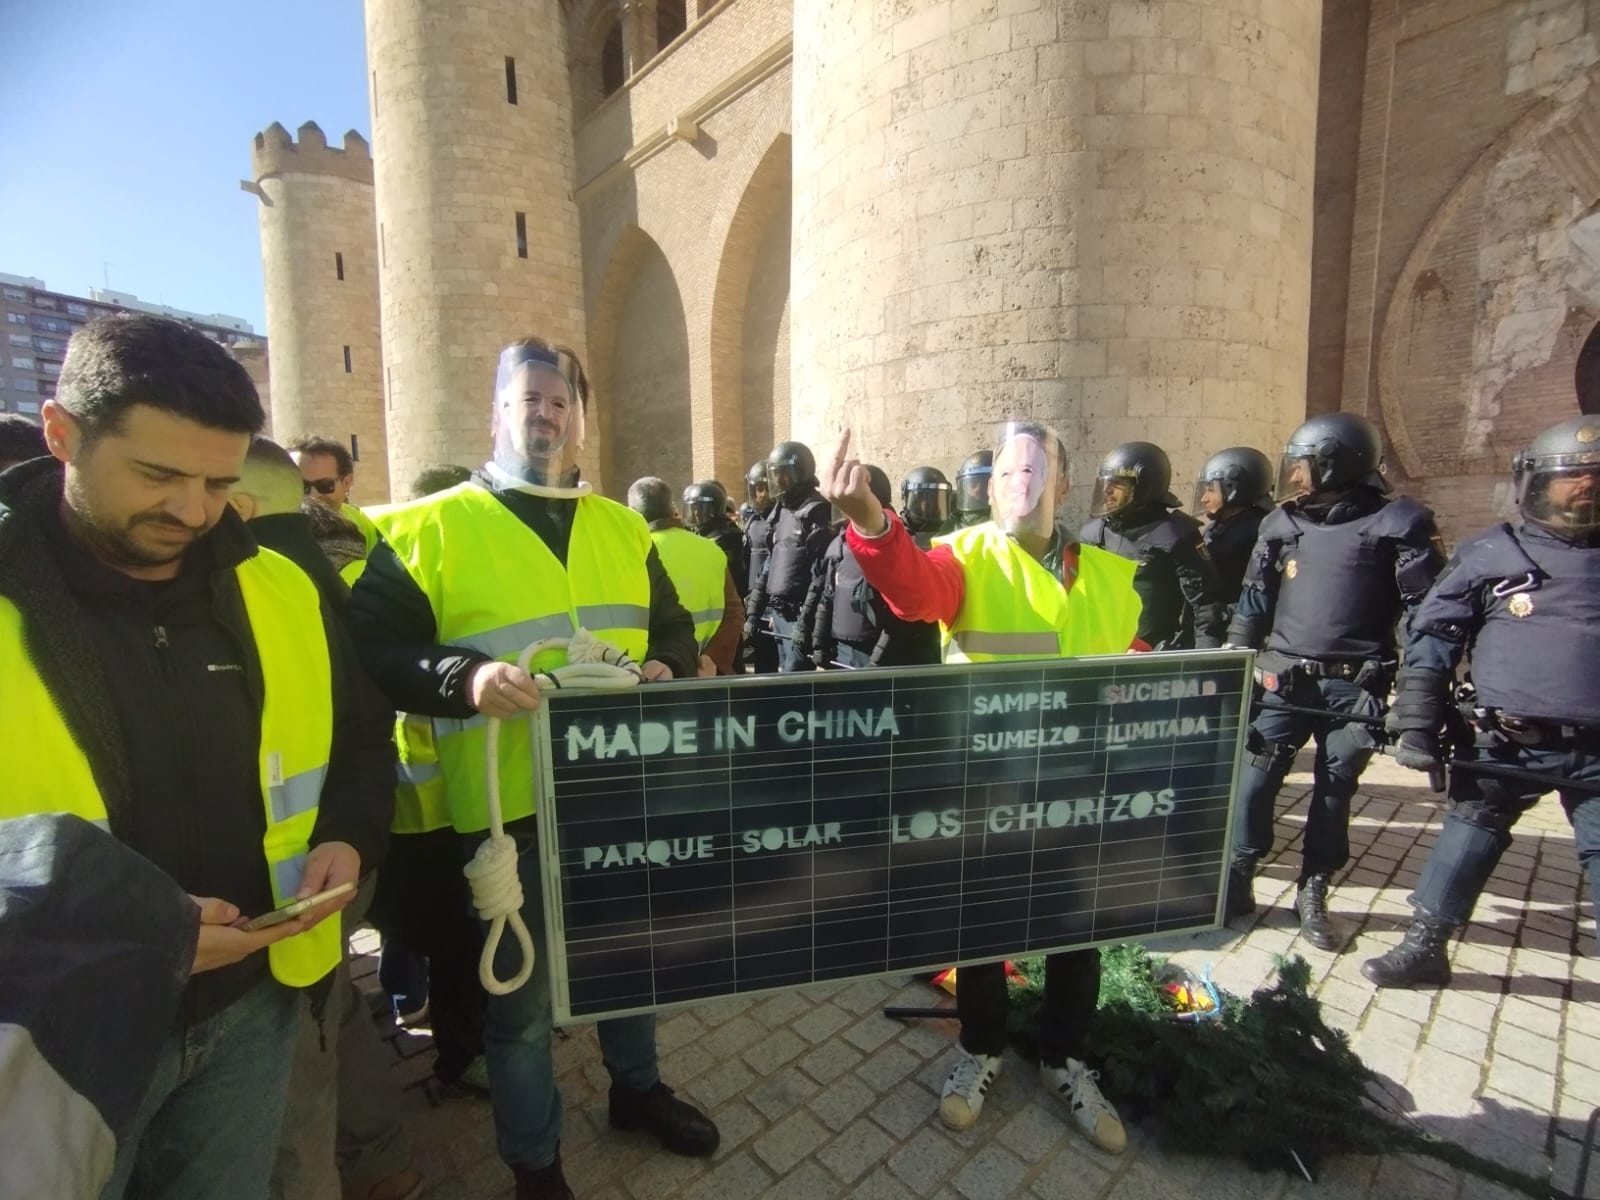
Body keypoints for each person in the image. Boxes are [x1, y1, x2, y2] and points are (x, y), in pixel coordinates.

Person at [0, 314, 395, 1200]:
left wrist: (349, 834)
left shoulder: (280, 586)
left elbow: (362, 739)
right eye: (157, 475)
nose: (192, 511)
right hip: (52, 1040)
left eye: (218, 482)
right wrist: (142, 932)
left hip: (252, 1012)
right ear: (62, 433)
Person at [346, 336, 718, 1200]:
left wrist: (667, 662)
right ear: (496, 414)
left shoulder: (624, 528)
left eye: (560, 401)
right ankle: (535, 1164)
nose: (545, 414)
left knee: (629, 963)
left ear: (581, 420)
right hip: (503, 811)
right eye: (528, 399)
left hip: (619, 793)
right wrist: (465, 678)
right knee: (520, 1006)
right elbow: (372, 650)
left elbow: (670, 626)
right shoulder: (428, 528)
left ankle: (635, 1091)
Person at [819, 423, 1143, 1153]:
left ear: (1064, 484)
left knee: (1077, 931)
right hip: (986, 784)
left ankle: (1065, 1059)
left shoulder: (1109, 574)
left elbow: (1134, 664)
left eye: (1037, 468)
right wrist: (870, 519)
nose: (1020, 481)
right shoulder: (964, 557)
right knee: (981, 926)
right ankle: (980, 1047)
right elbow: (913, 589)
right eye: (1005, 472)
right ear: (990, 488)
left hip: (1075, 788)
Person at [228, 436, 421, 1200]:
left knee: (303, 1058)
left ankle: (372, 1167)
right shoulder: (337, 569)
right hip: (343, 850)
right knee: (333, 1010)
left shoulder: (267, 587)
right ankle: (385, 1163)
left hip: (294, 877)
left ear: (239, 504)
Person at [1363, 415, 1600, 987]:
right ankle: (1425, 945)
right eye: (1571, 478)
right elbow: (1433, 636)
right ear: (1535, 484)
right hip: (1509, 741)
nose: (1584, 490)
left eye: (1596, 479)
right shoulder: (1492, 553)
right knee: (1469, 832)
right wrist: (1417, 723)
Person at [1224, 412, 1446, 951]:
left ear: (1336, 463)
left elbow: (1425, 616)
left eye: (1303, 466)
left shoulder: (1400, 524)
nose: (1294, 477)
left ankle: (1313, 888)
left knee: (1333, 791)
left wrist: (1417, 698)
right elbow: (1254, 602)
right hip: (1283, 681)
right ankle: (1238, 875)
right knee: (1253, 784)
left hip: (1354, 687)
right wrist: (1235, 662)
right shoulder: (1281, 525)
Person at [1081, 441, 1228, 650]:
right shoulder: (1094, 533)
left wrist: (1204, 660)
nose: (1107, 491)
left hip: (1153, 654)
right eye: (1106, 483)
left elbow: (1205, 607)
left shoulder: (1176, 535)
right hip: (1100, 649)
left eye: (1117, 484)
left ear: (1144, 486)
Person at [802, 464, 940, 669]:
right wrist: (819, 644)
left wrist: (877, 661)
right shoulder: (839, 543)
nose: (845, 510)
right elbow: (827, 597)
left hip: (876, 654)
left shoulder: (895, 546)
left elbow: (899, 618)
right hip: (840, 652)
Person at [629, 476, 743, 675]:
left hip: (653, 675)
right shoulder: (712, 551)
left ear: (632, 514)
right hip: (707, 674)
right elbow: (734, 614)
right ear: (672, 508)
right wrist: (713, 658)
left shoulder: (634, 554)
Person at [744, 440, 833, 672]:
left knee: (795, 683)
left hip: (799, 615)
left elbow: (820, 577)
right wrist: (754, 613)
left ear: (800, 473)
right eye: (775, 475)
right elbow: (769, 566)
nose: (778, 482)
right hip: (777, 614)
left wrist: (805, 624)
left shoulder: (816, 510)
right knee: (772, 681)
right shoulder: (781, 510)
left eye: (783, 475)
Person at [1195, 446, 1274, 611]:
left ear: (1233, 489)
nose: (1204, 499)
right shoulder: (1219, 527)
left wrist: (1226, 614)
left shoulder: (1257, 532)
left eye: (1211, 490)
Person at [291, 434, 381, 558]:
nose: (312, 495)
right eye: (303, 485)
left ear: (347, 482)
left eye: (324, 485)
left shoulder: (364, 525)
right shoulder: (282, 525)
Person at [740, 461, 778, 671]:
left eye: (764, 488)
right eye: (755, 489)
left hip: (775, 605)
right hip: (754, 603)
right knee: (762, 664)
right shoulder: (752, 521)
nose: (759, 495)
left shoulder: (781, 519)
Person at [683, 479, 748, 593]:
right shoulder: (701, 533)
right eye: (694, 508)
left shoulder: (725, 537)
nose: (696, 513)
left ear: (714, 508)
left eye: (700, 508)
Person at [902, 465, 955, 540]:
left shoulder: (952, 531)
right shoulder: (899, 534)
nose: (929, 504)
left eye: (933, 499)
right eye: (921, 498)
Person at [952, 450, 992, 528]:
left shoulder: (1007, 520)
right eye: (973, 483)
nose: (978, 489)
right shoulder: (954, 522)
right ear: (964, 486)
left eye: (984, 483)